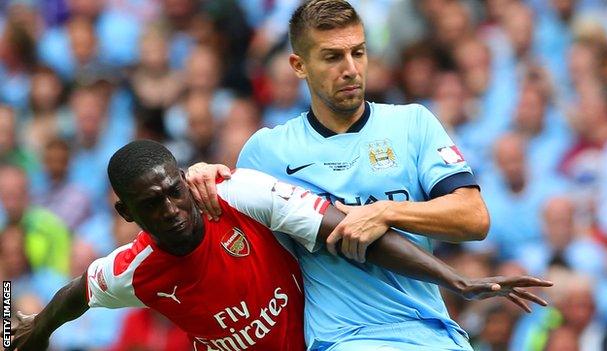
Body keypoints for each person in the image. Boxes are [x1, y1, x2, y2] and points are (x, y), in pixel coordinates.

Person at [186, 1, 516, 349]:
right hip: (346, 338)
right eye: (332, 57)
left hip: (435, 333)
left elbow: (474, 217)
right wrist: (203, 177)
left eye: (358, 53)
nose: (351, 69)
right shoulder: (267, 152)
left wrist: (384, 211)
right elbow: (225, 239)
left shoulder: (412, 123)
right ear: (299, 65)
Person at [9, 140, 552, 351]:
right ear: (128, 214)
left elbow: (348, 229)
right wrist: (34, 330)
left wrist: (458, 280)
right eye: (151, 206)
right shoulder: (137, 269)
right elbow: (77, 293)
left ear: (183, 180)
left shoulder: (239, 194)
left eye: (174, 192)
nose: (171, 210)